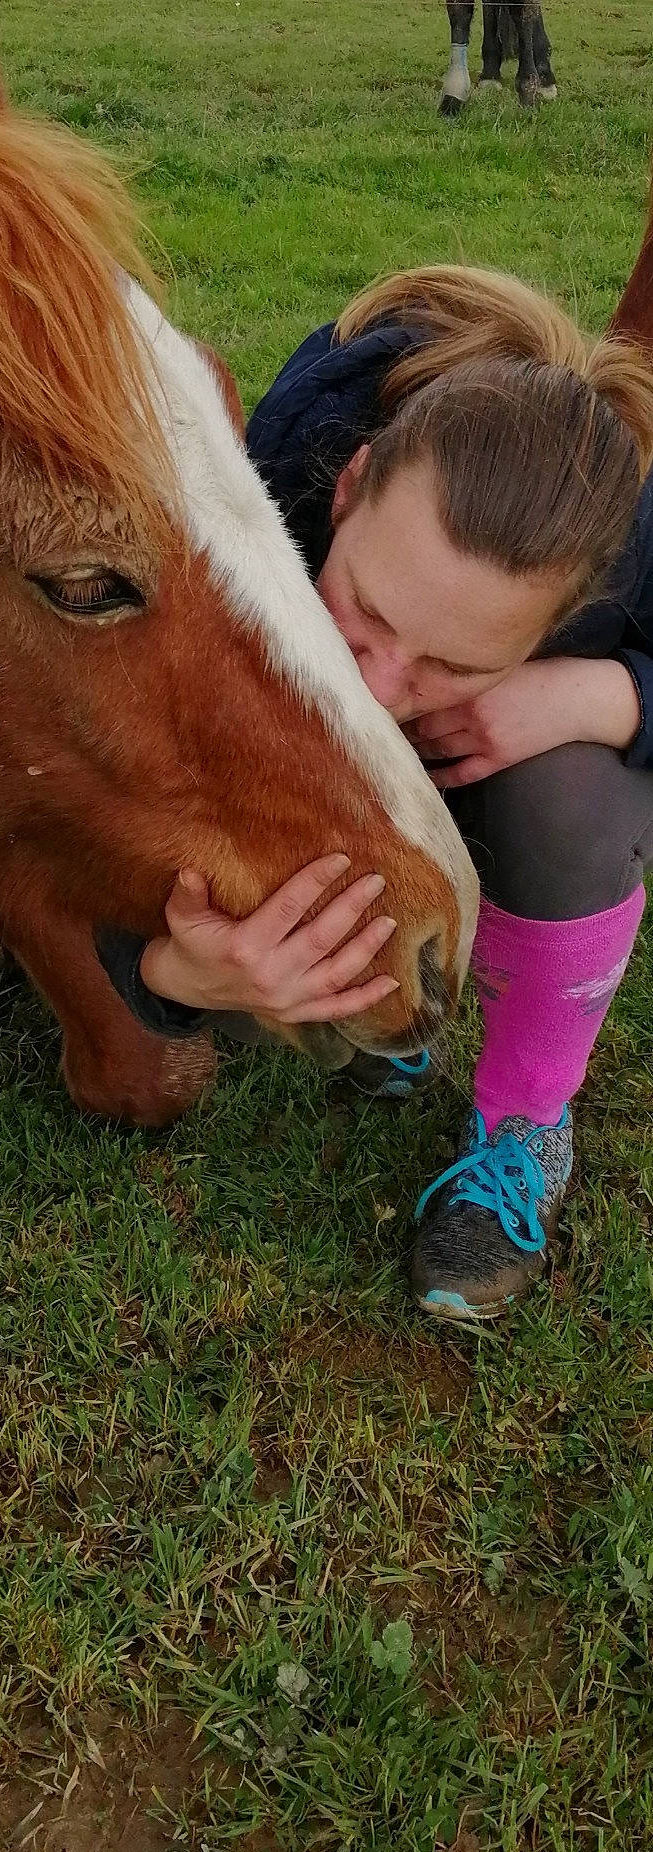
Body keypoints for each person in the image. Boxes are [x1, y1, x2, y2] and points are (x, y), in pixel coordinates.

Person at [97, 267, 653, 1321]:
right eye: (362, 609)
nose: (379, 686)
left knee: (577, 796)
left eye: (451, 659)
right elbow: (138, 765)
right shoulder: (278, 468)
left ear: (572, 607)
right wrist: (174, 971)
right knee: (271, 743)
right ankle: (390, 1008)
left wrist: (602, 692)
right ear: (346, 492)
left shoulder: (640, 528)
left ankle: (527, 1121)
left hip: (522, 760)